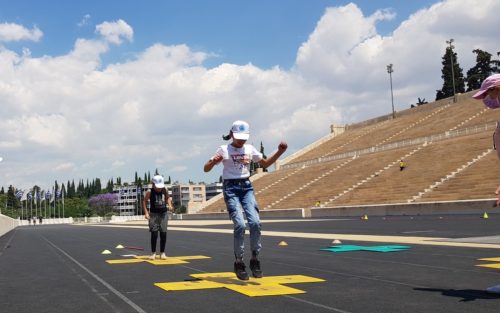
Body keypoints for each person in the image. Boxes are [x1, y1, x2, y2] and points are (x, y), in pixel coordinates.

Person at [204, 120, 288, 280]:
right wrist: (213, 162)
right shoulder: (224, 149)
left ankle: (255, 259)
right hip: (231, 188)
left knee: (255, 223)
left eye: (244, 138)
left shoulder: (250, 149)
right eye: (238, 137)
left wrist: (279, 152)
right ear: (232, 135)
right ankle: (239, 261)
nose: (241, 141)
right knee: (240, 225)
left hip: (247, 186)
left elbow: (265, 163)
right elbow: (206, 169)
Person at [143, 175, 174, 260]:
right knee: (154, 234)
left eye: (160, 187)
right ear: (153, 184)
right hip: (153, 214)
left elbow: (167, 198)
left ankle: (162, 253)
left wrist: (170, 205)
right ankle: (153, 253)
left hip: (163, 214)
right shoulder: (149, 192)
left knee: (163, 233)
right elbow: (144, 201)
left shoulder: (164, 189)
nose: (159, 189)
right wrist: (146, 212)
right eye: (157, 187)